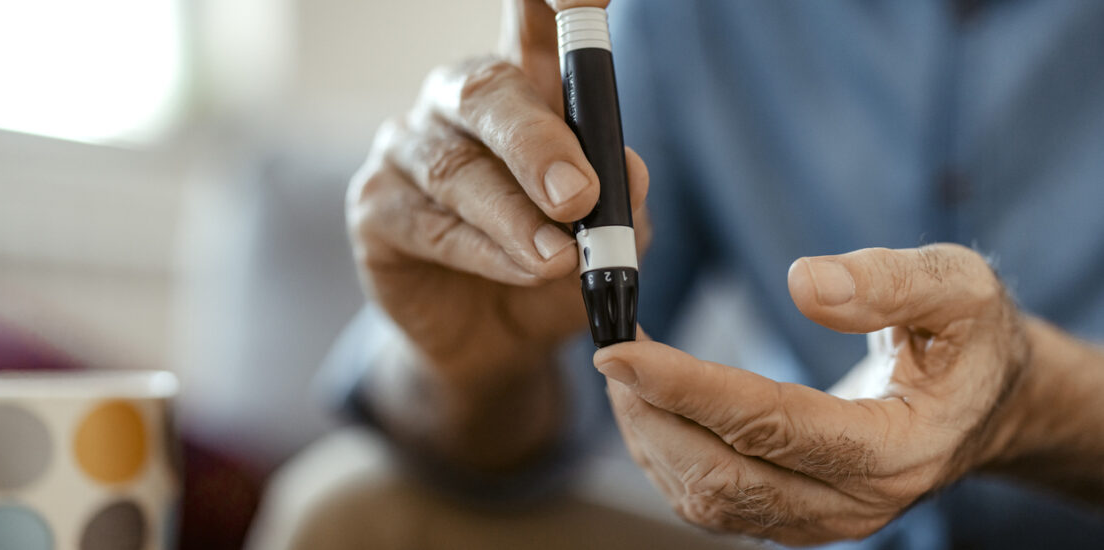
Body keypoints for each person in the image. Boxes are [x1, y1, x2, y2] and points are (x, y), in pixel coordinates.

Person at [274, 0, 1104, 548]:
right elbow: (558, 399)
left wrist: (1034, 404)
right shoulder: (682, 16)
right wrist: (470, 366)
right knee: (349, 517)